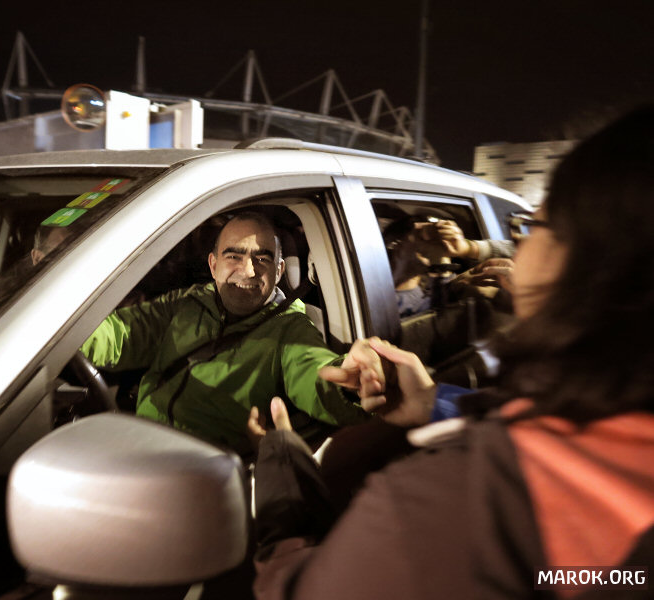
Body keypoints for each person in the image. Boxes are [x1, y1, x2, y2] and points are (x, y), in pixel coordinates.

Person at [251, 105, 654, 598]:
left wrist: (284, 491)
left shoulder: (456, 505)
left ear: (590, 264)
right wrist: (436, 403)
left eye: (531, 230)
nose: (516, 253)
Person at [80, 212, 377, 456]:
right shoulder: (187, 303)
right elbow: (119, 335)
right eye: (234, 256)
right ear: (213, 265)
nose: (248, 271)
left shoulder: (290, 328)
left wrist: (350, 386)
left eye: (262, 259)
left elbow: (312, 370)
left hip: (204, 472)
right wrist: (67, 323)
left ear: (279, 271)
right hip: (138, 444)